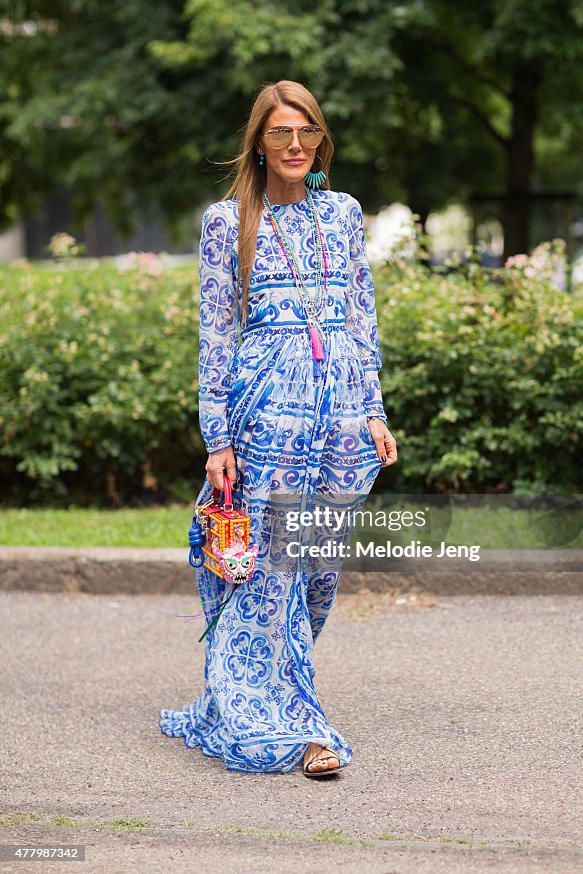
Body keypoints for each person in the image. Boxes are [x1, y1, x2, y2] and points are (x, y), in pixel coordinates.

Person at [159, 79, 397, 778]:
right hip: (265, 406)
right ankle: (287, 726)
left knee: (317, 571)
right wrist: (217, 437)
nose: (295, 145)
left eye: (307, 132)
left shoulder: (345, 212)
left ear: (320, 141)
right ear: (258, 143)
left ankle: (249, 694)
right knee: (268, 570)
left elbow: (361, 314)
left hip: (341, 411)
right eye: (279, 133)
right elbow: (215, 333)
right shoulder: (225, 220)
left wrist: (375, 408)